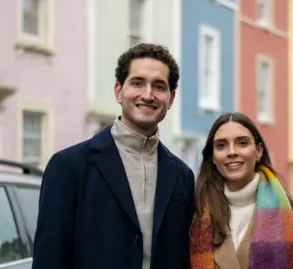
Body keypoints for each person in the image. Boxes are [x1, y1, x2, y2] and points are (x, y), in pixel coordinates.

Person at [32, 43, 195, 269]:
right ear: (119, 91)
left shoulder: (182, 176)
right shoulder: (68, 167)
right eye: (137, 83)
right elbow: (49, 259)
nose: (148, 95)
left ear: (171, 97)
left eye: (159, 86)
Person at [189, 112, 293, 269]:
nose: (232, 152)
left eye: (242, 143)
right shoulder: (196, 215)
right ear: (213, 157)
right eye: (221, 145)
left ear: (258, 151)